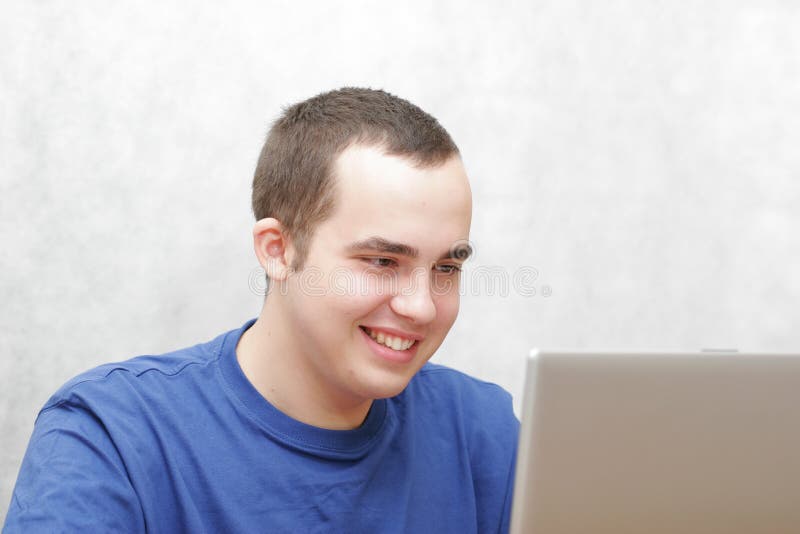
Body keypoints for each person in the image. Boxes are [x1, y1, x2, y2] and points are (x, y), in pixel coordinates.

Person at [4, 88, 519, 533]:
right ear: (278, 249)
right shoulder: (112, 436)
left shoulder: (483, 434)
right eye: (382, 260)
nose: (421, 306)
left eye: (447, 268)